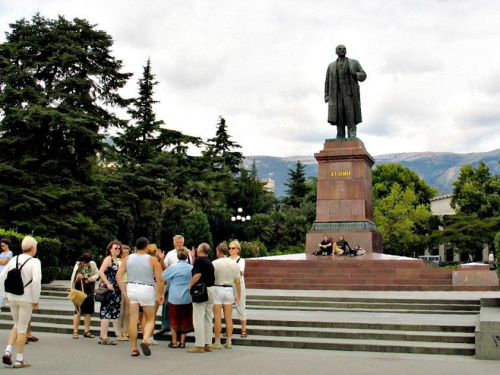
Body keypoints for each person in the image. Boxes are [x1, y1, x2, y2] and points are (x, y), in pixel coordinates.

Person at [116, 237, 164, 357]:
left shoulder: (127, 258)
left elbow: (118, 276)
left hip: (132, 287)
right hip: (146, 288)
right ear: (147, 246)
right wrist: (161, 293)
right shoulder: (152, 260)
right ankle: (145, 339)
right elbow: (160, 279)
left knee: (133, 319)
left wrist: (123, 291)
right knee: (150, 319)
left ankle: (133, 348)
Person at [0, 236, 41, 369]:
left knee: (16, 324)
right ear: (33, 248)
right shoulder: (35, 262)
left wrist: (5, 295)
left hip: (12, 297)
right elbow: (35, 282)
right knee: (22, 328)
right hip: (26, 298)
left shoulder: (13, 259)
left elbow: (2, 277)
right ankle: (19, 359)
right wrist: (35, 300)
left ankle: (7, 350)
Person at [325, 44, 366, 138]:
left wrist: (355, 74)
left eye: (344, 49)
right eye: (340, 49)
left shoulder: (354, 62)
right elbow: (327, 81)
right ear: (336, 52)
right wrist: (326, 95)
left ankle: (352, 133)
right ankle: (340, 134)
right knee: (339, 114)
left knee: (350, 113)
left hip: (350, 93)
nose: (342, 50)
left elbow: (363, 75)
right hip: (336, 94)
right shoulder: (331, 66)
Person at [161, 247, 193, 348]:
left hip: (174, 296)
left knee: (173, 318)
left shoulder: (173, 267)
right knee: (185, 319)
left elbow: (163, 277)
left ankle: (174, 341)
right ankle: (183, 342)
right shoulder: (191, 268)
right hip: (187, 296)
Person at [156, 234, 187, 338]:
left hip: (185, 282)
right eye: (177, 242)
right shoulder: (170, 254)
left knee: (184, 305)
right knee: (167, 304)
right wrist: (161, 259)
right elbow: (165, 268)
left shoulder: (188, 253)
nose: (179, 244)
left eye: (180, 242)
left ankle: (182, 327)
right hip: (172, 281)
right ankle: (165, 325)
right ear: (174, 243)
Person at [187, 243, 215, 353]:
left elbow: (197, 274)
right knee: (208, 317)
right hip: (211, 289)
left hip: (201, 291)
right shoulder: (209, 262)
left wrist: (190, 285)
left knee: (198, 318)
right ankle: (208, 343)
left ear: (199, 251)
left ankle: (199, 345)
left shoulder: (199, 260)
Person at [212, 242, 241, 350]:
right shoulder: (234, 264)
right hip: (229, 289)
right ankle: (229, 341)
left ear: (219, 251)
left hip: (217, 288)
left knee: (217, 317)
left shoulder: (214, 263)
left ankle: (217, 341)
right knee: (228, 317)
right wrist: (238, 294)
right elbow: (237, 281)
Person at [98, 240, 122, 345]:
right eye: (115, 248)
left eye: (118, 248)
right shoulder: (109, 259)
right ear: (110, 249)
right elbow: (101, 271)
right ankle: (104, 336)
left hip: (116, 289)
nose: (117, 250)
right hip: (110, 288)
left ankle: (103, 336)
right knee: (106, 311)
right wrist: (108, 283)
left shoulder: (117, 260)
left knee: (110, 311)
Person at [70, 252, 99, 339]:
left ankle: (87, 331)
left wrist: (92, 278)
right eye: (84, 263)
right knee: (78, 311)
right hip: (79, 290)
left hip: (89, 290)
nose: (86, 264)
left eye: (87, 262)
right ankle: (75, 331)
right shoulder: (77, 266)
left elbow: (97, 274)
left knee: (88, 311)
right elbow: (73, 280)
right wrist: (78, 278)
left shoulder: (92, 264)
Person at [228, 240, 247, 338]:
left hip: (239, 284)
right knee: (228, 308)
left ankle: (243, 328)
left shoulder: (241, 260)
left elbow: (241, 272)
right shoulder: (227, 259)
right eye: (230, 248)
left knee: (240, 305)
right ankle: (228, 328)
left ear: (238, 250)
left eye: (233, 248)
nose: (231, 250)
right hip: (229, 284)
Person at [116, 245, 131, 341]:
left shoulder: (131, 262)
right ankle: (119, 332)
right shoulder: (117, 262)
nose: (125, 255)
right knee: (120, 310)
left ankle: (126, 332)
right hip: (120, 285)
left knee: (128, 311)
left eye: (127, 253)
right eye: (123, 253)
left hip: (129, 284)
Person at [0, 238, 13, 308]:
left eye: (3, 245)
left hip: (4, 270)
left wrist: (1, 261)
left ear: (7, 245)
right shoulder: (2, 253)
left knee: (4, 286)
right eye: (1, 246)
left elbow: (4, 262)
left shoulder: (9, 253)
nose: (2, 247)